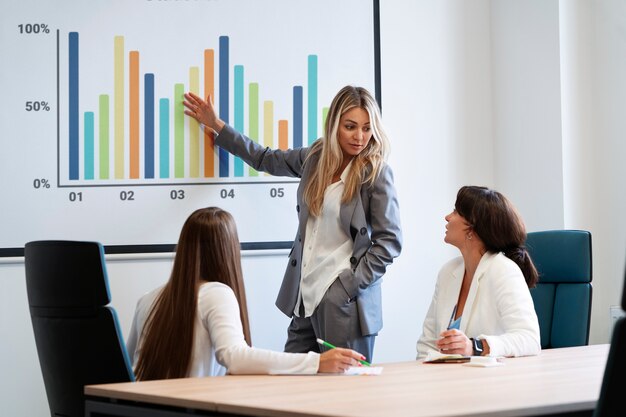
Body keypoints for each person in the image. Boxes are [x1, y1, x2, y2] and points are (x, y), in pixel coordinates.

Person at [183, 86, 402, 362]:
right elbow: (265, 158)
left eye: (367, 128)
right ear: (334, 124)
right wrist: (217, 125)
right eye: (350, 127)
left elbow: (389, 243)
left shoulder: (376, 173)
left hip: (343, 302)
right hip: (304, 296)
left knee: (345, 393)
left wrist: (345, 287)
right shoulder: (316, 158)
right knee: (292, 383)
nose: (360, 137)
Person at [126, 207, 366, 380]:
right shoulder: (215, 293)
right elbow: (235, 356)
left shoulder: (148, 299)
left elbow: (128, 367)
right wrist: (318, 362)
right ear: (227, 250)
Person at [416, 186, 541, 359]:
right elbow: (427, 343)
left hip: (491, 382)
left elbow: (529, 339)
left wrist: (476, 346)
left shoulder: (503, 270)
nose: (447, 217)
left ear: (471, 229)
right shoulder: (447, 272)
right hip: (449, 382)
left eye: (455, 212)